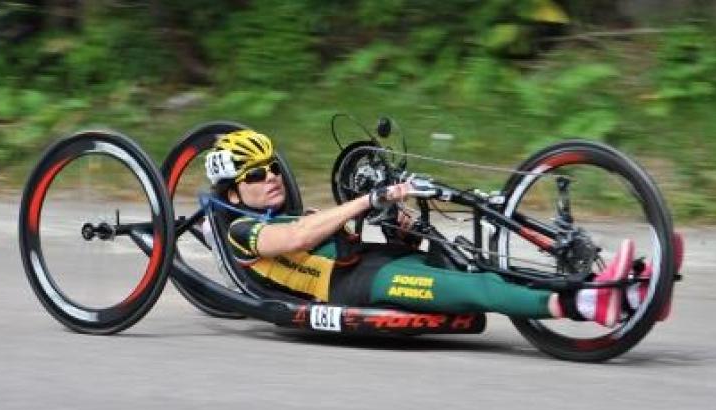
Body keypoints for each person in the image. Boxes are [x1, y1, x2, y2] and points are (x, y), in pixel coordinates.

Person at [204, 129, 680, 327]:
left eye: (271, 169)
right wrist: (367, 200)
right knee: (476, 289)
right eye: (253, 175)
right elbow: (294, 242)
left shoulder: (300, 213)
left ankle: (635, 294)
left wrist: (400, 221)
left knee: (476, 263)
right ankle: (584, 303)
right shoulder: (241, 231)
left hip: (378, 264)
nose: (270, 178)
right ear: (231, 192)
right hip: (356, 286)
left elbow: (333, 232)